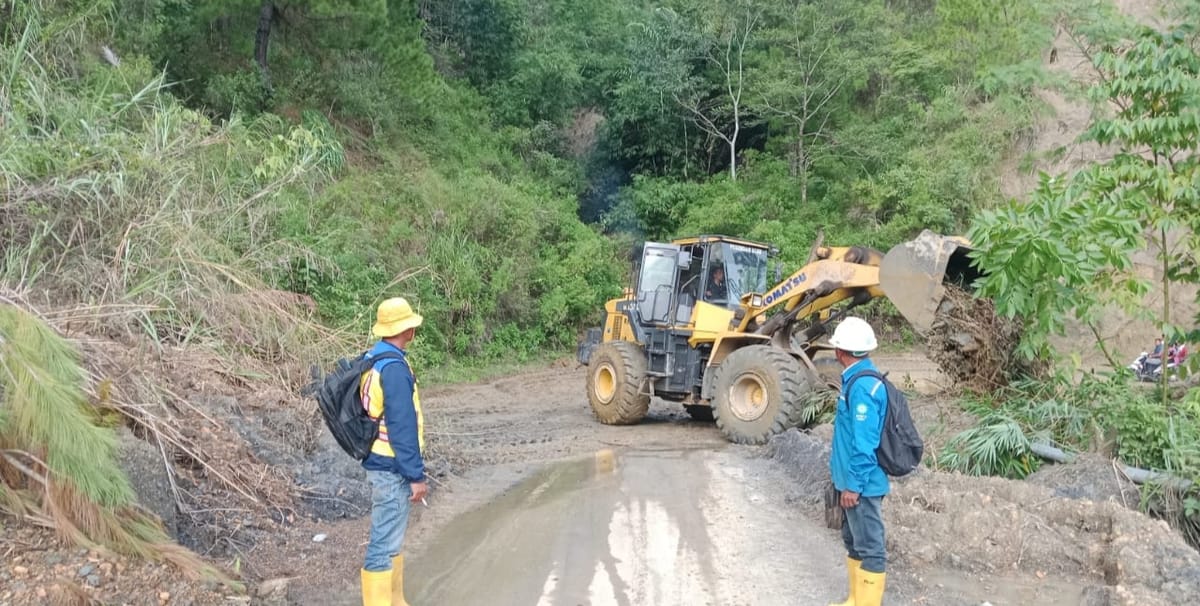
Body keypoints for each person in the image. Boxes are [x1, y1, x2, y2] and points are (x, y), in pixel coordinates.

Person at [359, 297, 429, 606]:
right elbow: (402, 427)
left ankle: (396, 600)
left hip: (382, 461)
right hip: (390, 466)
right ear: (408, 330)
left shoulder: (375, 358)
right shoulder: (395, 370)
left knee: (390, 538)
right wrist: (416, 476)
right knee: (383, 543)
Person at [827, 317, 889, 606]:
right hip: (850, 483)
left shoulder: (862, 387)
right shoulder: (854, 379)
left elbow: (865, 445)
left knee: (871, 549)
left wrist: (852, 486)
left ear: (840, 352)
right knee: (853, 543)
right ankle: (855, 599)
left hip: (862, 486)